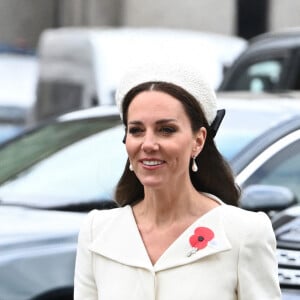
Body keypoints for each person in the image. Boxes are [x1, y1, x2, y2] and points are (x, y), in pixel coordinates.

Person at [74, 61, 281, 299]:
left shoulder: (245, 232)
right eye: (136, 130)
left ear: (198, 140)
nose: (148, 144)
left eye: (166, 130)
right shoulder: (97, 231)